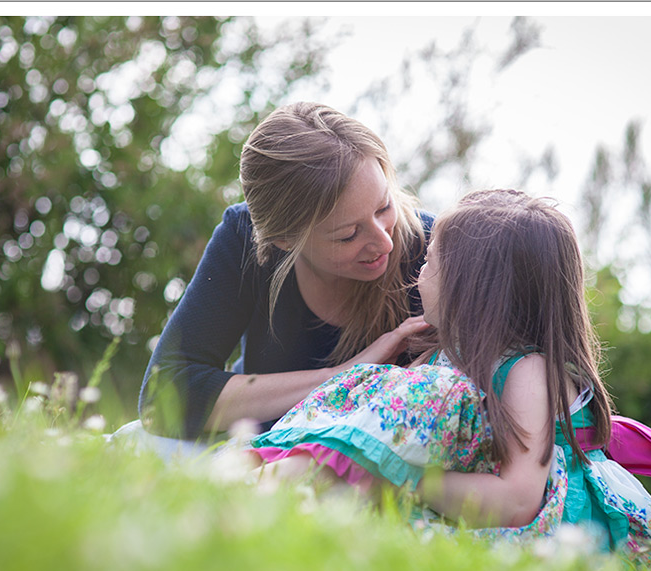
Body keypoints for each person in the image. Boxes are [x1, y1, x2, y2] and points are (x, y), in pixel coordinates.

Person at [248, 189, 651, 571]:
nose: (418, 272)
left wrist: (409, 483)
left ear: (473, 287)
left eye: (433, 262)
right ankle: (277, 477)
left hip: (560, 530)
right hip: (485, 508)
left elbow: (521, 498)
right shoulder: (447, 360)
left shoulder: (527, 372)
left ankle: (284, 485)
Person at [129, 102, 434, 450]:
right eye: (348, 234)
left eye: (384, 207)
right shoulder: (244, 239)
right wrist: (345, 376)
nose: (383, 240)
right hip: (256, 453)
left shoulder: (438, 253)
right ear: (284, 239)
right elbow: (163, 397)